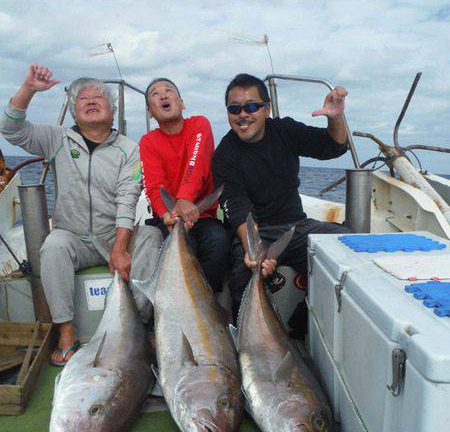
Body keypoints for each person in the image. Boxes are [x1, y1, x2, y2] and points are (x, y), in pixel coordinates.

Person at [0, 63, 162, 365]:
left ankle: (139, 324)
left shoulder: (129, 148)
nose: (90, 100)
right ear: (74, 113)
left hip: (114, 236)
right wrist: (29, 90)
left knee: (152, 236)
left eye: (98, 97)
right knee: (53, 245)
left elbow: (129, 197)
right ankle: (66, 332)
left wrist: (120, 247)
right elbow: (10, 129)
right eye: (82, 98)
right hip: (74, 238)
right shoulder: (56, 139)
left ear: (112, 112)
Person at [212, 73, 350, 324]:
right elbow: (238, 209)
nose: (243, 114)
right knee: (244, 277)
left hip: (296, 228)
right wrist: (255, 251)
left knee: (346, 245)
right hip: (255, 233)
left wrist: (336, 117)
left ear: (266, 109)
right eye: (235, 109)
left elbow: (334, 146)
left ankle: (302, 322)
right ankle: (241, 340)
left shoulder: (284, 130)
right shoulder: (224, 155)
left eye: (252, 106)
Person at [140, 78, 229, 294]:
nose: (163, 95)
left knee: (219, 243)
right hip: (169, 218)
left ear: (181, 102)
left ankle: (207, 303)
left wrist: (184, 200)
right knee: (168, 247)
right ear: (150, 112)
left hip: (204, 217)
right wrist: (167, 215)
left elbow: (196, 164)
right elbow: (154, 186)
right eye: (155, 94)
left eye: (169, 90)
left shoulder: (199, 125)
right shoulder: (148, 142)